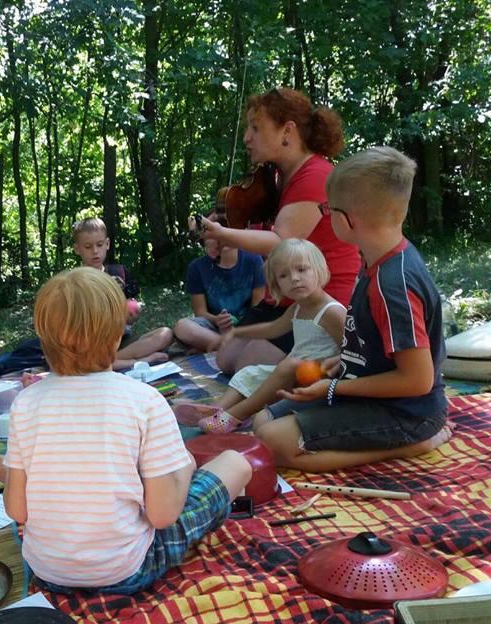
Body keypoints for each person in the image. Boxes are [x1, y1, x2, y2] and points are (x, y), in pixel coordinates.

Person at [0, 268, 251, 595]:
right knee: (234, 464)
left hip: (49, 571)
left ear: (43, 338)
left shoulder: (25, 404)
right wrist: (184, 466)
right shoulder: (144, 401)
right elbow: (162, 515)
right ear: (118, 338)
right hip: (128, 569)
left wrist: (18, 475)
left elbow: (16, 511)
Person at [254, 147, 451, 471]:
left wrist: (334, 386)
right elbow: (374, 342)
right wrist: (340, 362)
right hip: (370, 392)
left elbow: (418, 380)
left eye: (326, 210)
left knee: (273, 443)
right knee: (262, 420)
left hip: (408, 412)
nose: (325, 215)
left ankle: (415, 445)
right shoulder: (376, 258)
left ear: (345, 220)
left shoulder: (393, 286)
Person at [200, 87, 361, 373]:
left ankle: (331, 357)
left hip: (319, 295)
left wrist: (223, 235)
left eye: (255, 128)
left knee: (246, 367)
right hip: (285, 296)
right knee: (227, 361)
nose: (247, 138)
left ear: (287, 131)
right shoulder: (274, 176)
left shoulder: (316, 175)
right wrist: (225, 230)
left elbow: (280, 241)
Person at [180, 238, 345, 433]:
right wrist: (235, 332)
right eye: (284, 275)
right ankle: (219, 409)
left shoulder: (332, 311)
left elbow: (352, 352)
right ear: (277, 283)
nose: (294, 278)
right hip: (295, 371)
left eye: (302, 270)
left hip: (319, 378)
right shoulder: (297, 308)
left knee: (287, 366)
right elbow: (272, 329)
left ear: (320, 270)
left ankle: (233, 417)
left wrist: (328, 365)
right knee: (249, 373)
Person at [72, 218, 174, 370]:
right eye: (88, 246)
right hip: (91, 344)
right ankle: (137, 360)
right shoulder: (74, 281)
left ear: (107, 244)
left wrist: (131, 313)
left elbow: (130, 307)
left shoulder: (119, 273)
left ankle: (105, 362)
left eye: (99, 245)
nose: (95, 251)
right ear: (77, 249)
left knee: (165, 334)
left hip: (121, 342)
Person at [173, 236, 266, 353]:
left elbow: (258, 309)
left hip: (246, 327)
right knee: (182, 327)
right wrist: (218, 320)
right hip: (213, 328)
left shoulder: (254, 260)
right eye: (216, 235)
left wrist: (238, 326)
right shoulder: (196, 268)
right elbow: (200, 312)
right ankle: (232, 348)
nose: (223, 239)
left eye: (226, 232)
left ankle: (220, 347)